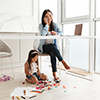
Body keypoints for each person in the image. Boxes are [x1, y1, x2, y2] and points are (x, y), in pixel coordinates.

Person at [38, 9, 70, 80]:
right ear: (43, 18)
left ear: (52, 16)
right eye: (46, 16)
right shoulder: (41, 25)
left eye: (50, 15)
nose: (49, 17)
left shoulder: (55, 25)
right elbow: (42, 35)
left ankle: (54, 73)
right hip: (44, 47)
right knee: (52, 47)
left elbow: (62, 33)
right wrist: (46, 25)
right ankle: (62, 61)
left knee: (52, 53)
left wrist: (57, 33)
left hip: (52, 47)